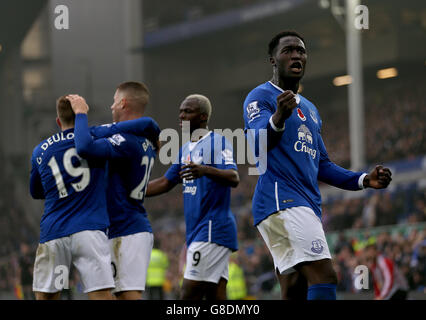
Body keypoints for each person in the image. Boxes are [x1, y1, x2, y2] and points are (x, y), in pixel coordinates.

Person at [242, 30, 393, 300]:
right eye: (288, 50)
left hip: (300, 204)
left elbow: (322, 164)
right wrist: (278, 117)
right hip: (282, 200)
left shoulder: (310, 109)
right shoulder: (260, 96)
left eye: (301, 51)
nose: (296, 55)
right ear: (273, 60)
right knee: (325, 275)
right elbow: (257, 144)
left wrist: (363, 180)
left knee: (295, 289)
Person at [67, 81, 160, 300]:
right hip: (122, 226)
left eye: (114, 102)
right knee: (119, 295)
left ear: (123, 103)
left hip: (128, 228)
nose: (111, 107)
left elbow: (84, 147)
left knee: (128, 295)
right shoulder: (145, 139)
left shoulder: (127, 140)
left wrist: (81, 114)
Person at [145, 94, 240, 300]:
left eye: (188, 111)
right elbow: (166, 182)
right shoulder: (185, 149)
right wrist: (133, 192)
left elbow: (234, 177)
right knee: (216, 296)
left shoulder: (217, 142)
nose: (181, 116)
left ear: (203, 117)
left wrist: (205, 170)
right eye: (180, 111)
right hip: (198, 231)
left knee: (188, 294)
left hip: (212, 229)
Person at [30, 96, 114, 300]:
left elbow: (35, 192)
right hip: (89, 231)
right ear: (81, 116)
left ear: (58, 121)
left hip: (54, 233)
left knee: (48, 297)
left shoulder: (40, 150)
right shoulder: (94, 140)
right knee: (100, 295)